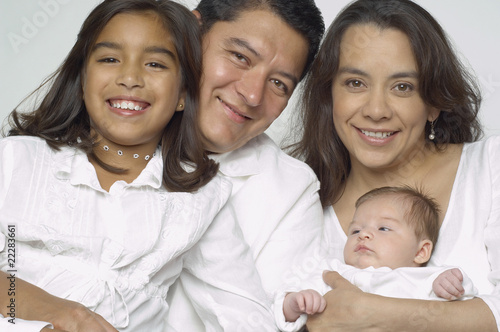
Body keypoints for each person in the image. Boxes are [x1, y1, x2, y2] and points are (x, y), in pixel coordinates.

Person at [0, 0, 275, 331]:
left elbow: (246, 315)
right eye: (110, 59)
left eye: (156, 64)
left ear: (183, 94)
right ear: (83, 78)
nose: (130, 77)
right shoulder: (16, 161)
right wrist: (62, 315)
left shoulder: (199, 200)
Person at [291, 0, 500, 330]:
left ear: (433, 103)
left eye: (402, 87)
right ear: (328, 95)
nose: (376, 110)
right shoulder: (294, 199)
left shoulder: (491, 168)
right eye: (355, 83)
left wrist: (381, 313)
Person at [165, 0, 325, 330]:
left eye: (279, 84)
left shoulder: (292, 191)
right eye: (240, 57)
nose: (252, 95)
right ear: (192, 32)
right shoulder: (115, 122)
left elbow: (263, 321)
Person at [274, 186, 478, 331]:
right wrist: (294, 303)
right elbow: (288, 311)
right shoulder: (331, 272)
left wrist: (450, 284)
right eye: (355, 230)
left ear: (421, 252)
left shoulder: (427, 279)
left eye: (383, 228)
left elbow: (465, 303)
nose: (363, 235)